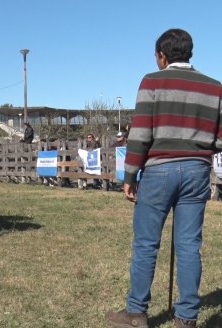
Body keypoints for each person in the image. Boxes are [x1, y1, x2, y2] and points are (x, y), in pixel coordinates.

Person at [106, 29, 222, 328]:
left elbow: (141, 133)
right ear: (189, 53)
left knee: (146, 244)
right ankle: (187, 318)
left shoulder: (152, 82)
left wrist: (130, 174)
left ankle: (136, 314)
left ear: (162, 55)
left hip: (159, 171)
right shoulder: (215, 88)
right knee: (188, 245)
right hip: (197, 171)